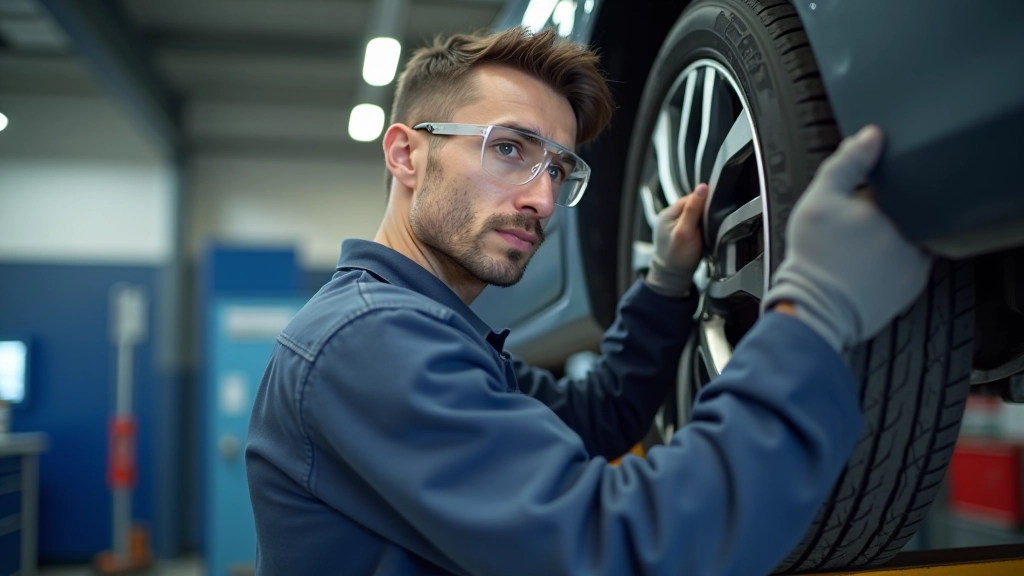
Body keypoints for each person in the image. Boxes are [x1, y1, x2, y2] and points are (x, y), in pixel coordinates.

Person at [245, 26, 932, 576]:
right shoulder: (368, 341)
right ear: (405, 154)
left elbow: (596, 417)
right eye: (509, 148)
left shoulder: (422, 330)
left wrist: (663, 287)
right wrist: (811, 315)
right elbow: (628, 545)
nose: (542, 198)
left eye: (558, 168)